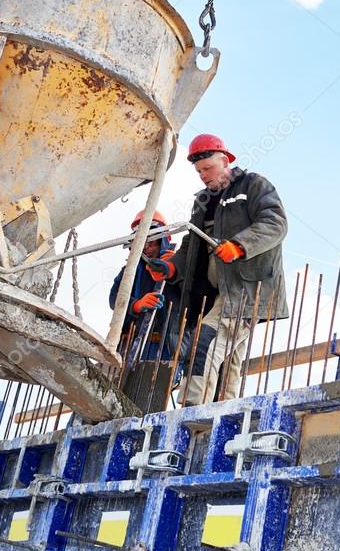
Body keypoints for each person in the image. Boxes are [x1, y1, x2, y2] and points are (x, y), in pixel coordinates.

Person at [147, 134, 288, 405]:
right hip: (217, 293)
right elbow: (191, 245)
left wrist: (239, 245)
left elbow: (275, 223)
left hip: (245, 289)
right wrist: (170, 268)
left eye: (208, 168)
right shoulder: (202, 201)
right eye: (199, 171)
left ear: (225, 161)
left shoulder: (253, 185)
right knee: (228, 362)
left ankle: (190, 413)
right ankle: (225, 412)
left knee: (205, 344)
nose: (203, 175)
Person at [109, 209, 180, 363]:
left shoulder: (178, 263)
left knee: (155, 384)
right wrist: (136, 304)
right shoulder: (130, 269)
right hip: (129, 344)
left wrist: (177, 271)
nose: (146, 246)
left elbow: (192, 297)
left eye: (151, 241)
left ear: (163, 240)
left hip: (165, 346)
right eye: (141, 241)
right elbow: (114, 298)